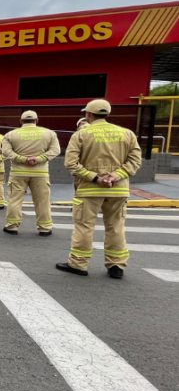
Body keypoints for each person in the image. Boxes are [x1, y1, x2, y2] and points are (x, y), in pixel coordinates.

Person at [57, 100, 142, 279]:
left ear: (88, 114)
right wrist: (115, 176)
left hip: (89, 190)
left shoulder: (81, 135)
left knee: (84, 226)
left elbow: (71, 163)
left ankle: (79, 264)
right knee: (116, 226)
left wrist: (95, 177)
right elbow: (134, 161)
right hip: (118, 190)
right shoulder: (127, 134)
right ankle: (116, 265)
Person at [1, 110, 60, 236]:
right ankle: (44, 228)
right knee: (42, 201)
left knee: (15, 200)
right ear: (37, 121)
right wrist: (38, 159)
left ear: (21, 121)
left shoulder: (11, 134)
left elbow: (6, 152)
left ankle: (12, 226)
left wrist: (23, 159)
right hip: (40, 173)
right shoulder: (49, 133)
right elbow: (55, 150)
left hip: (18, 172)